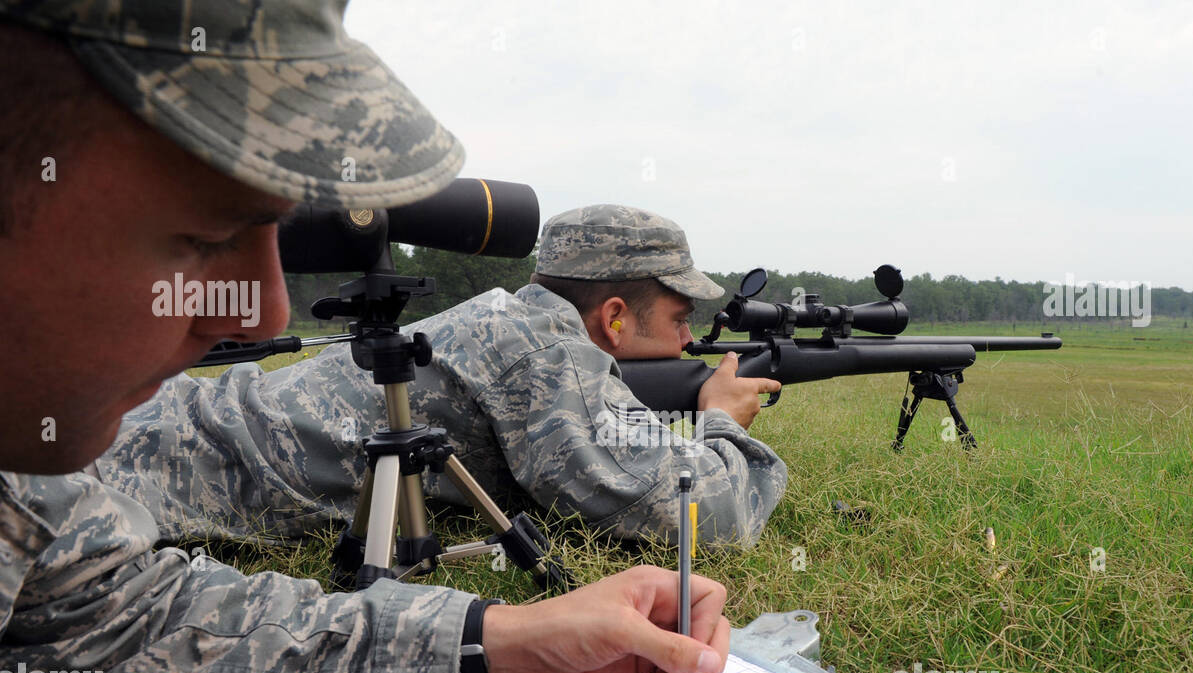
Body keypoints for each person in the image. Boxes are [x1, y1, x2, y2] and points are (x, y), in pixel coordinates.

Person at [0, 0, 719, 673]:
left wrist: (497, 646)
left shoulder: (27, 484)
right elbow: (661, 493)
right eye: (202, 234)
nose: (264, 309)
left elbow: (121, 619)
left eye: (272, 232)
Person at [92, 206, 788, 551]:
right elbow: (700, 518)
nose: (689, 336)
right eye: (676, 313)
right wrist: (720, 417)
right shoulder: (544, 354)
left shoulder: (511, 320)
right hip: (129, 469)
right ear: (612, 316)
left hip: (156, 423)